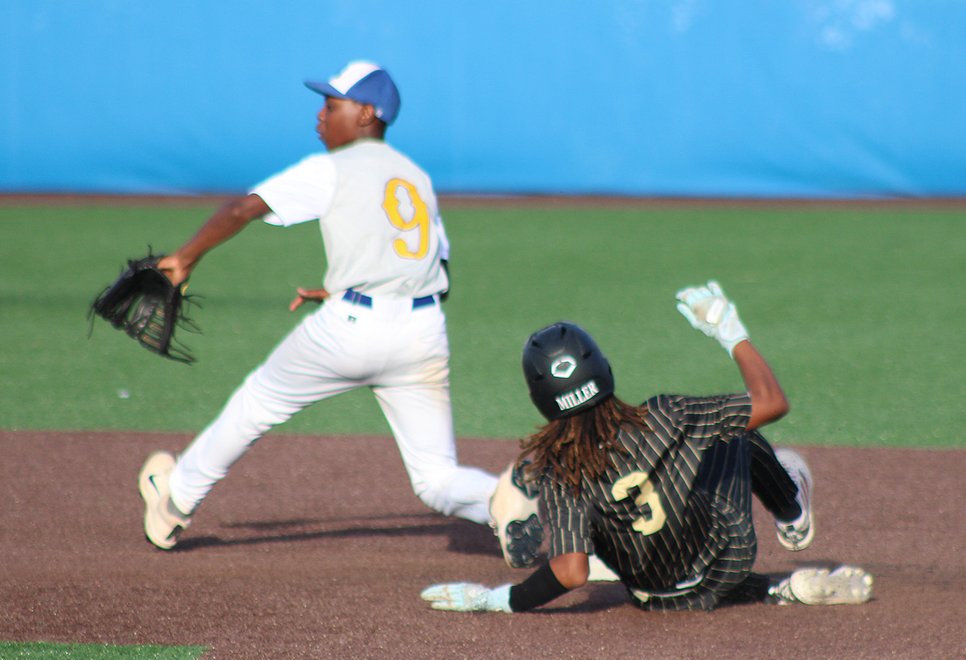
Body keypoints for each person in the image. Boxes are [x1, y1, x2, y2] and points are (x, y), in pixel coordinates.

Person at [137, 60, 505, 551]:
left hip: (349, 330)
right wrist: (345, 286)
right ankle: (507, 503)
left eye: (332, 105)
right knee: (436, 478)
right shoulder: (416, 177)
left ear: (367, 113)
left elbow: (243, 208)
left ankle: (175, 502)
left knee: (258, 402)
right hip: (421, 334)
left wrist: (184, 258)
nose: (320, 115)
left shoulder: (332, 168)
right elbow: (437, 273)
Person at [421, 281, 873, 613]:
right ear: (604, 370)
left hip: (653, 596)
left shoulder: (560, 470)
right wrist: (730, 332)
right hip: (727, 556)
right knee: (734, 432)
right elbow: (772, 402)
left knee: (599, 528)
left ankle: (780, 589)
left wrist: (499, 599)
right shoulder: (666, 415)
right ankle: (792, 514)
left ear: (540, 399)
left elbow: (571, 573)